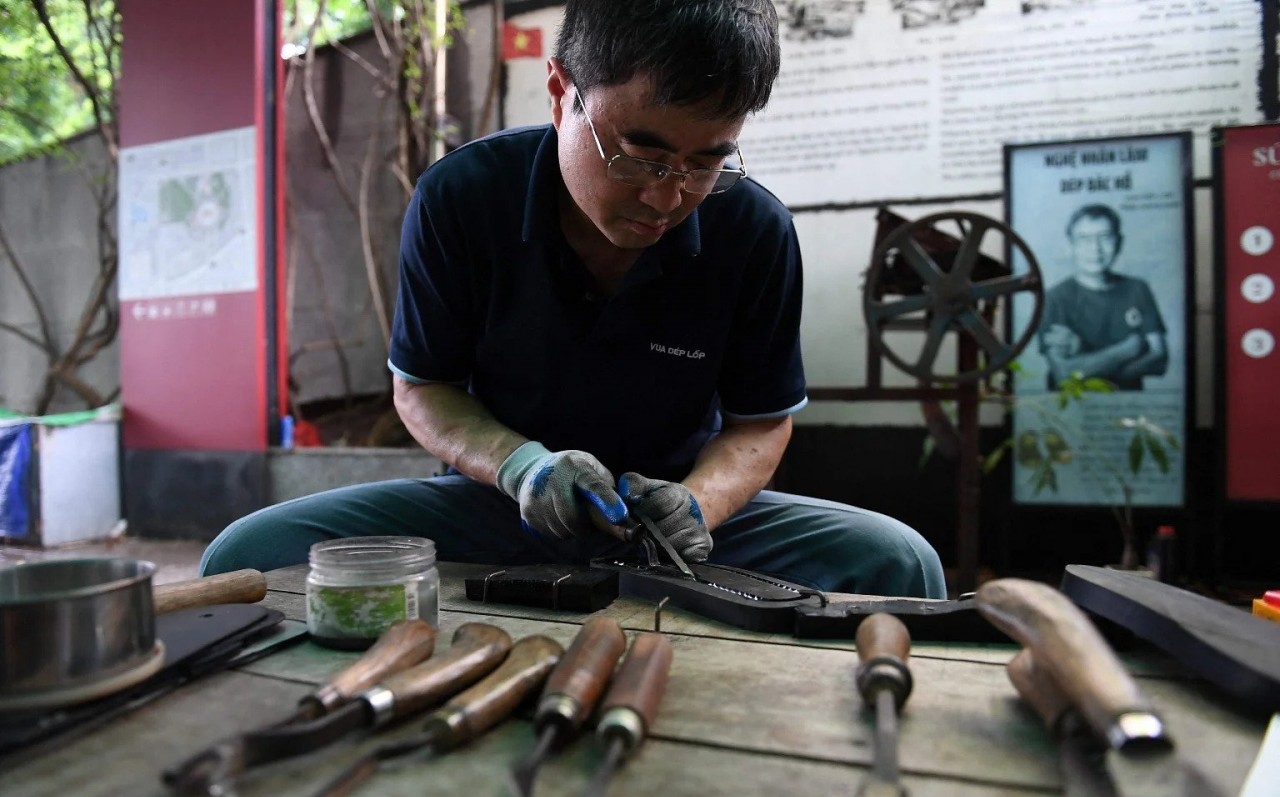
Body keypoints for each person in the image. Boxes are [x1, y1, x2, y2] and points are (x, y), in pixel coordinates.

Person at [201, 0, 945, 598]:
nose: (667, 195)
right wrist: (522, 467)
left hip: (674, 523)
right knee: (250, 552)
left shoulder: (752, 229)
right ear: (561, 94)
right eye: (638, 155)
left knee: (899, 562)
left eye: (707, 160)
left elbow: (760, 424)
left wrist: (697, 507)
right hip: (498, 507)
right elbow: (422, 387)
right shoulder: (462, 200)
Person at [1039, 204, 1168, 390]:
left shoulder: (1137, 289)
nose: (1095, 249)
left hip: (1127, 407)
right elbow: (1065, 375)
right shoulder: (1054, 299)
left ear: (1119, 242)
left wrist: (1085, 362)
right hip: (1070, 411)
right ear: (1070, 245)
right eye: (1084, 239)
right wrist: (1130, 348)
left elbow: (1160, 361)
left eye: (1105, 238)